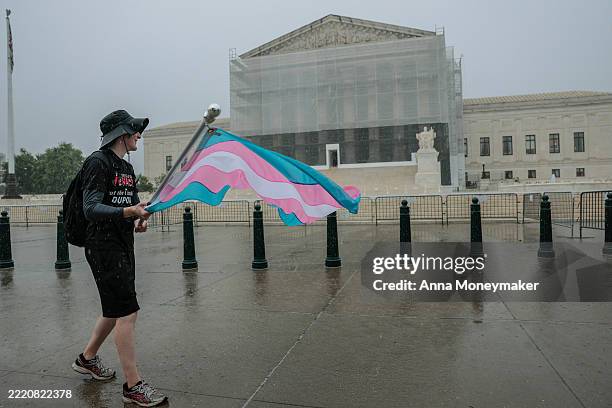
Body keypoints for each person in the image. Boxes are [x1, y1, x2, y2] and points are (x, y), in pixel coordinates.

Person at [71, 110, 167, 407]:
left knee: (115, 310)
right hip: (102, 246)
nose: (139, 134)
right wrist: (127, 213)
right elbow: (91, 208)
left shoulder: (126, 167)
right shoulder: (97, 163)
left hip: (122, 243)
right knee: (127, 311)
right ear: (121, 134)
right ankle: (133, 386)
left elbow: (129, 205)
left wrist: (137, 218)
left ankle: (86, 359)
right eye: (135, 130)